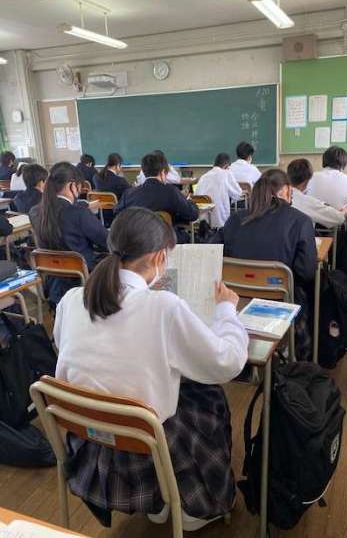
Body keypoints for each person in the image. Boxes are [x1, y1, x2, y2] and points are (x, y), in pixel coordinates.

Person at [54, 207, 248, 531]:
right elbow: (226, 362)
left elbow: (67, 349)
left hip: (87, 442)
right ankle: (188, 500)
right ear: (159, 257)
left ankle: (157, 501)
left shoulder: (72, 299)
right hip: (144, 446)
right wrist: (227, 310)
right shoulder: (163, 306)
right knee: (208, 396)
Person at [216, 169, 317, 282]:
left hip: (236, 289)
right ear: (288, 190)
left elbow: (216, 254)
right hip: (281, 291)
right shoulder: (302, 222)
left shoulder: (235, 219)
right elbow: (307, 272)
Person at [30, 161, 108, 305]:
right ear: (72, 185)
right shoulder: (79, 214)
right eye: (79, 187)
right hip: (83, 281)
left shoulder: (35, 212)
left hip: (53, 284)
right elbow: (107, 241)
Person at [115, 152, 199, 242]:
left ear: (144, 172)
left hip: (137, 241)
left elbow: (117, 214)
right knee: (186, 236)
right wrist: (190, 202)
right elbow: (192, 215)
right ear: (162, 172)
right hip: (164, 240)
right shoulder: (171, 191)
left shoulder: (129, 193)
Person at [287, 158, 347, 228]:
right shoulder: (307, 202)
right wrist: (343, 213)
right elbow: (339, 219)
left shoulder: (278, 195)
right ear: (306, 181)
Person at [195, 153, 242, 228]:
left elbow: (196, 198)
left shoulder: (203, 177)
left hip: (203, 221)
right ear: (226, 166)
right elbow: (238, 194)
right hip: (221, 222)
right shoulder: (227, 174)